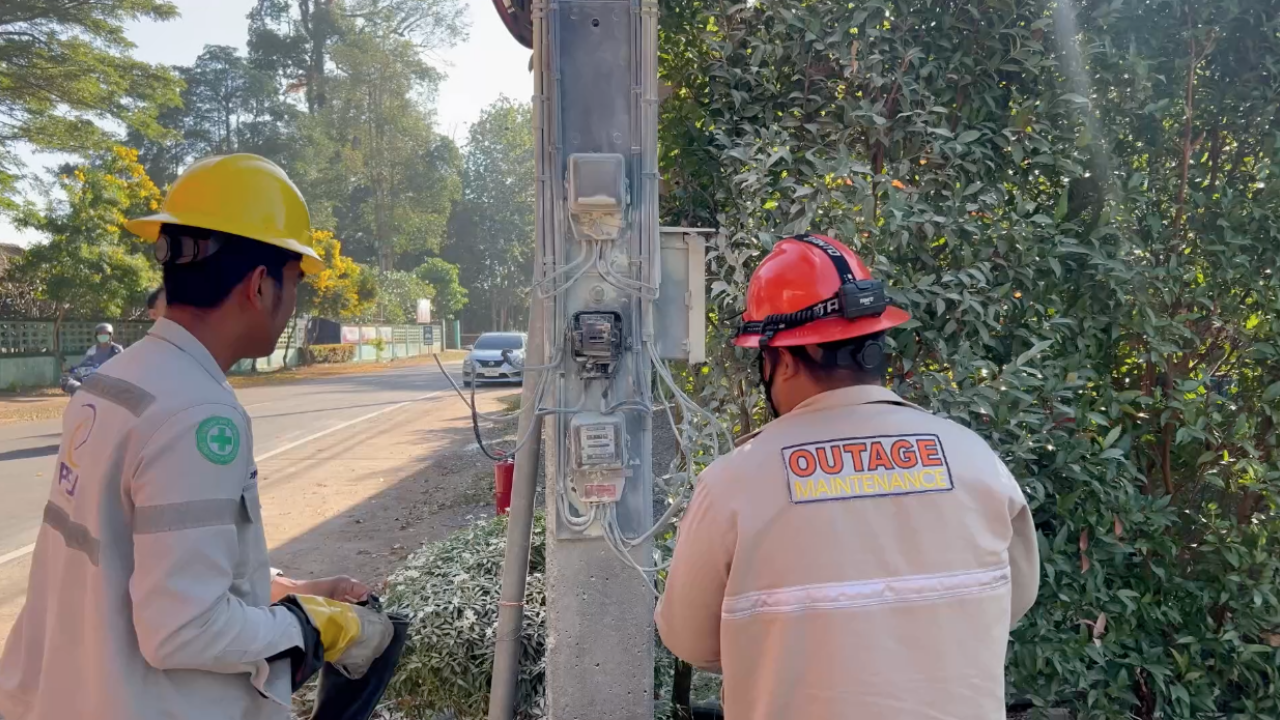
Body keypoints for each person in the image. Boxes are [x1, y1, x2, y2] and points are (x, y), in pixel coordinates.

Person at [0, 154, 392, 720]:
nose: (292, 302)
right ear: (261, 285)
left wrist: (286, 587)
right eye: (295, 282)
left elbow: (146, 549)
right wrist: (311, 628)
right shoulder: (201, 415)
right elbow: (182, 629)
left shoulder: (114, 381)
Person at [656, 234, 1041, 720]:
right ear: (874, 346)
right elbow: (1014, 598)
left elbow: (688, 638)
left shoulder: (734, 485)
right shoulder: (975, 460)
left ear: (783, 359)